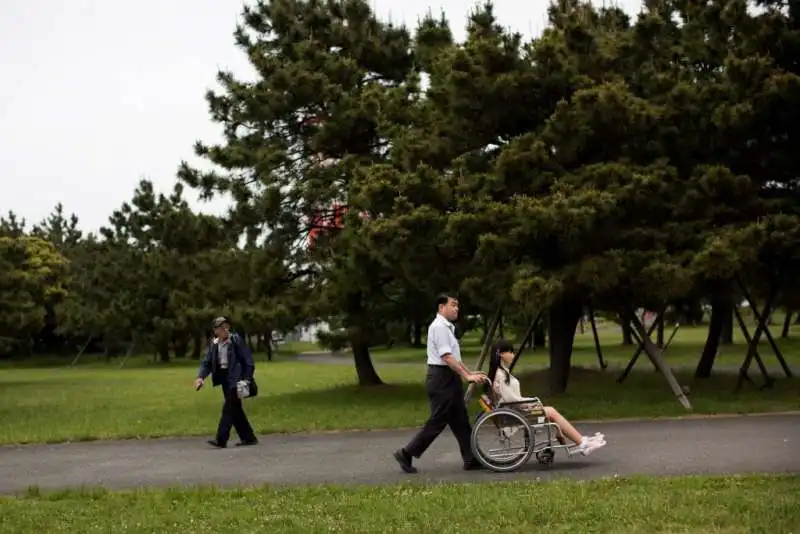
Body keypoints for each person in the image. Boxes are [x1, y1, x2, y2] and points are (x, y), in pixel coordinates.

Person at [393, 293, 487, 473]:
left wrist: (469, 373)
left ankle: (471, 459)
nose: (456, 308)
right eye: (453, 305)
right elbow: (446, 357)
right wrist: (467, 377)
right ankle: (406, 453)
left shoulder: (446, 328)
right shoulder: (439, 327)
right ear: (441, 308)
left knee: (460, 420)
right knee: (438, 420)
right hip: (441, 379)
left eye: (458, 305)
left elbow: (454, 358)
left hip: (449, 377)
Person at [486, 338, 606, 456]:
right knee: (551, 412)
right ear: (501, 354)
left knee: (550, 411)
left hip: (515, 410)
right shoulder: (500, 375)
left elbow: (512, 399)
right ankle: (581, 442)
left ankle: (577, 439)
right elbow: (512, 400)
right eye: (510, 352)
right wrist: (532, 402)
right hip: (515, 412)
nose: (513, 355)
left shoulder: (501, 372)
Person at [193, 316, 258, 448]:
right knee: (235, 409)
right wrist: (201, 378)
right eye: (219, 328)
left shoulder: (235, 341)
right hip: (223, 378)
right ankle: (248, 437)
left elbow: (248, 361)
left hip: (236, 378)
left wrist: (247, 379)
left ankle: (221, 439)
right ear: (216, 330)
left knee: (228, 407)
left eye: (225, 327)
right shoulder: (215, 344)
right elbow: (207, 363)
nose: (223, 330)